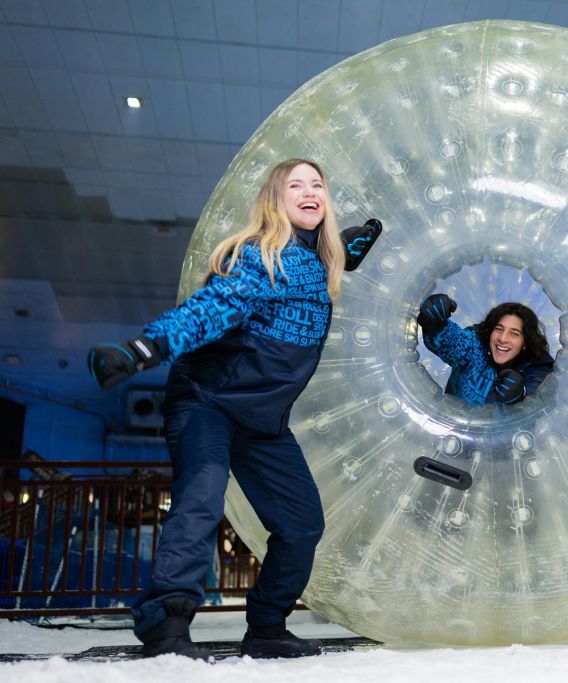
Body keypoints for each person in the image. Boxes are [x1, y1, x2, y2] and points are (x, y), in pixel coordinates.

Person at [86, 159, 381, 660]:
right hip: (209, 402)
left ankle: (266, 628)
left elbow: (317, 270)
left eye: (318, 185)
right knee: (201, 496)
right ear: (275, 198)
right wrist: (144, 349)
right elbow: (214, 306)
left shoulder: (314, 258)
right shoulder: (263, 257)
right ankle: (166, 625)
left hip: (262, 420)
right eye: (296, 185)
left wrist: (343, 250)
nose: (310, 192)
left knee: (302, 523)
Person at [417, 294, 555, 406]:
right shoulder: (475, 348)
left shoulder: (538, 367)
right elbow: (453, 342)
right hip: (453, 429)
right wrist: (434, 323)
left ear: (525, 342)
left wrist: (521, 395)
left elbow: (541, 403)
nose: (503, 339)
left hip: (505, 439)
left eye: (514, 333)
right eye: (499, 329)